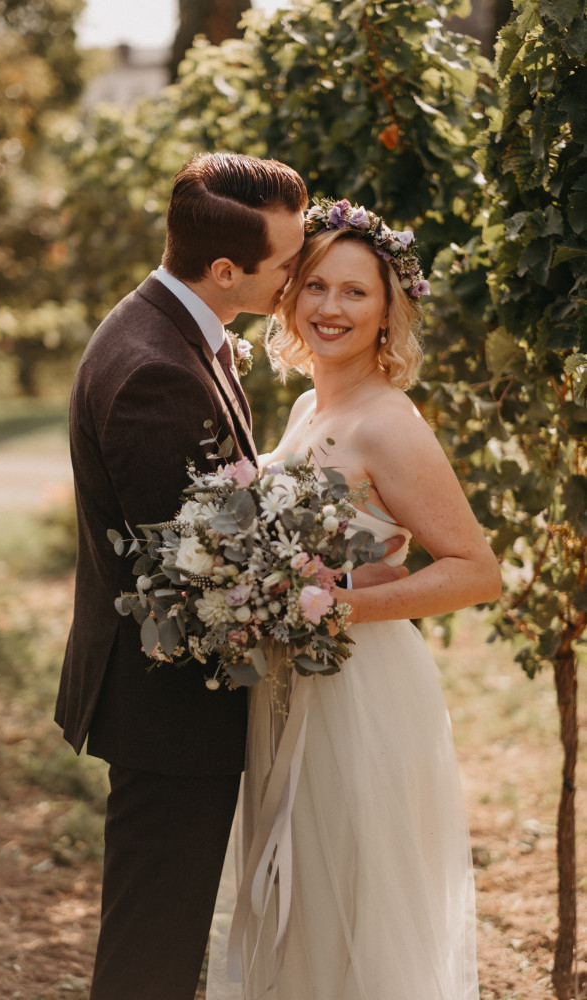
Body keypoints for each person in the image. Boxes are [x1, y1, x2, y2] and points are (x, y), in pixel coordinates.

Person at [220, 199, 502, 1000]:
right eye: (315, 286)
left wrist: (337, 606)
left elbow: (477, 569)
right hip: (289, 683)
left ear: (387, 311)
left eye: (354, 292)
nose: (330, 308)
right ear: (289, 296)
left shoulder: (389, 423)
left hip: (362, 693)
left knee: (352, 896)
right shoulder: (312, 404)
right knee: (295, 899)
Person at [54, 152, 310, 1000]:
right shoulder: (155, 370)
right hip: (167, 703)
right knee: (151, 950)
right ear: (226, 270)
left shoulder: (171, 327)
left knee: (165, 936)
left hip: (173, 697)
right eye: (287, 262)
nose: (298, 274)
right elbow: (200, 569)